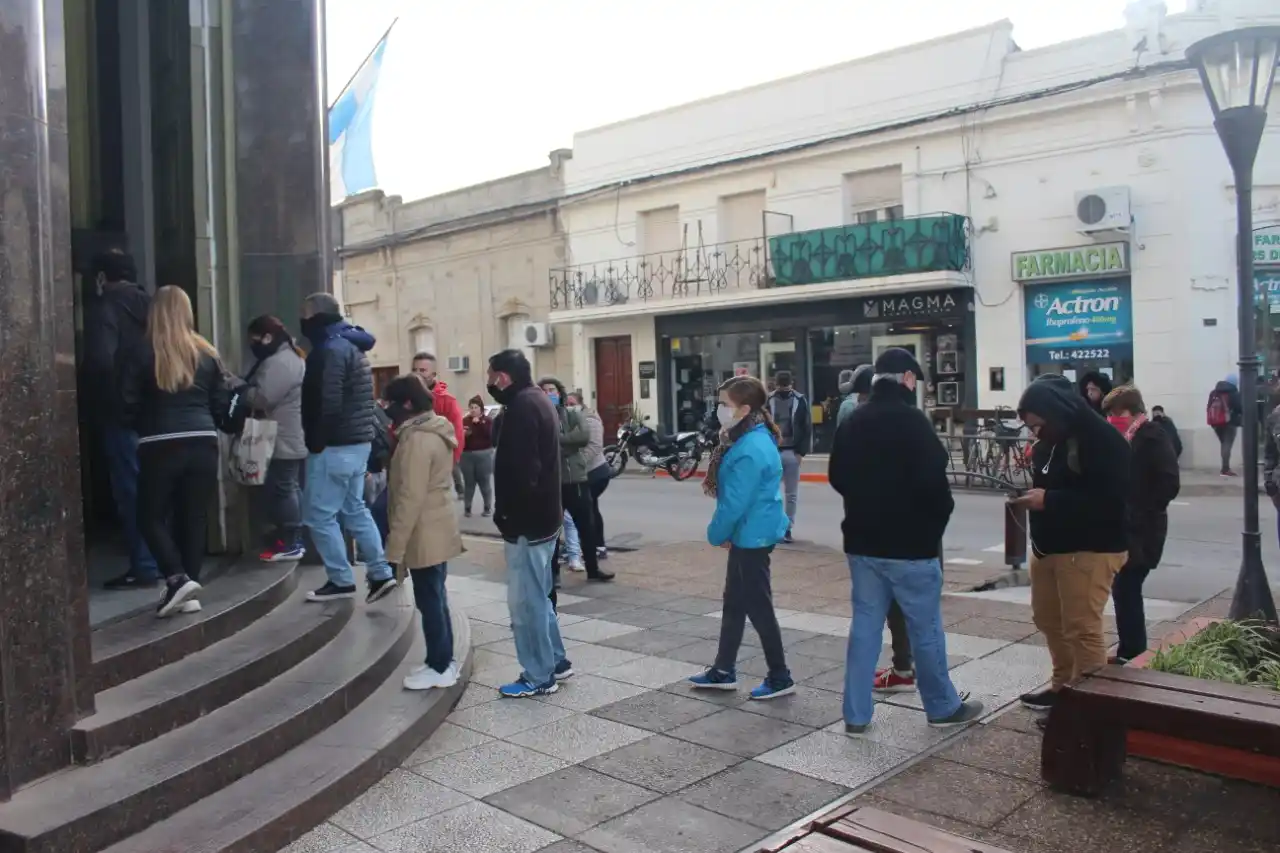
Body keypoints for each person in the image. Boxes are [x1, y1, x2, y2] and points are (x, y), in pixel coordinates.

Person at [830, 348, 982, 734]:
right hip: (911, 547)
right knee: (924, 628)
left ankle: (856, 713)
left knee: (864, 626)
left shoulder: (854, 420)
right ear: (908, 380)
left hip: (863, 544)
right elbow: (936, 488)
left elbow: (837, 476)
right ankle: (942, 706)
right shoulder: (915, 424)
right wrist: (930, 530)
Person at [1012, 374, 1130, 712]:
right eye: (1030, 427)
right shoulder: (1052, 439)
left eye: (1038, 425)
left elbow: (1110, 501)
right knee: (1048, 619)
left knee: (1082, 628)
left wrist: (1050, 500)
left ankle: (1088, 707)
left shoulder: (1102, 441)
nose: (1035, 432)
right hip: (1050, 546)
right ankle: (1063, 686)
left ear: (1056, 412)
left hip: (1091, 547)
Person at [119, 286, 228, 617]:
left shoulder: (140, 350)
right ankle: (189, 590)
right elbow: (221, 404)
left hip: (160, 443)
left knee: (149, 517)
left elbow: (125, 403)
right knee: (192, 518)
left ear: (155, 312)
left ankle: (176, 577)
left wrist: (141, 426)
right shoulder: (207, 353)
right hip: (204, 441)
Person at [687, 376, 795, 700]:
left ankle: (780, 676)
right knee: (734, 602)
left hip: (753, 535)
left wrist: (716, 534)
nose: (719, 410)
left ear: (745, 409)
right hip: (752, 531)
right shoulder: (748, 437)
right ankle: (723, 669)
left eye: (725, 405)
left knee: (758, 606)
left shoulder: (749, 447)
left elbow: (735, 502)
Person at [298, 292, 397, 603]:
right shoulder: (351, 345)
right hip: (357, 445)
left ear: (316, 317)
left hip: (335, 446)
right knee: (355, 510)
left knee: (318, 516)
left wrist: (316, 439)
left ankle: (341, 579)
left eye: (305, 314)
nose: (301, 321)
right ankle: (380, 573)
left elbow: (327, 402)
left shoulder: (330, 350)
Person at [488, 349, 573, 697]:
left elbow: (524, 472)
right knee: (539, 594)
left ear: (503, 377)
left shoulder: (522, 407)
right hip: (544, 518)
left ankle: (538, 675)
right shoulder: (538, 398)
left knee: (525, 602)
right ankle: (556, 659)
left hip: (527, 522)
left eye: (491, 376)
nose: (489, 383)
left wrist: (508, 515)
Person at [82, 249, 161, 589]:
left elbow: (101, 360)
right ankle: (161, 560)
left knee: (130, 489)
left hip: (120, 413)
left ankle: (144, 564)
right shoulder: (152, 307)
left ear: (102, 278)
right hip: (157, 413)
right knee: (156, 488)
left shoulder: (106, 308)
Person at [381, 375, 464, 691]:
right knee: (435, 597)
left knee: (430, 600)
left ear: (406, 403)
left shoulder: (416, 439)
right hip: (436, 526)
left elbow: (409, 497)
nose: (385, 408)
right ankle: (440, 661)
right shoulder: (433, 430)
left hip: (424, 531)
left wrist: (394, 547)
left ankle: (441, 665)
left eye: (389, 402)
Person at [1102, 386, 1180, 663]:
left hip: (1144, 529)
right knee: (1125, 588)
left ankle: (1132, 650)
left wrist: (1139, 508)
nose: (1112, 418)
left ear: (1132, 411)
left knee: (1126, 585)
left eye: (1116, 413)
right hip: (1128, 527)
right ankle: (1130, 648)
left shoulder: (1152, 436)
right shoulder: (1125, 437)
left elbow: (1169, 483)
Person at [242, 316, 307, 562]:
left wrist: (239, 388)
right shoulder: (289, 357)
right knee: (288, 486)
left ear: (267, 337)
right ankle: (291, 538)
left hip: (282, 435)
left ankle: (290, 541)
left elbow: (263, 398)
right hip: (289, 433)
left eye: (255, 339)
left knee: (284, 487)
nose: (253, 345)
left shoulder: (281, 362)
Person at [541, 376, 614, 582]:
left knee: (587, 526)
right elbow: (538, 444)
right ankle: (553, 574)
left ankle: (593, 569)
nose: (549, 393)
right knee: (552, 531)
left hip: (576, 479)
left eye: (553, 389)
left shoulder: (572, 413)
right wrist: (566, 445)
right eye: (545, 390)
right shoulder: (539, 417)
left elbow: (582, 437)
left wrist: (555, 443)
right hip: (552, 482)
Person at [412, 352, 464, 498]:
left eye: (422, 370)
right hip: (411, 462)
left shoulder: (446, 400)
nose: (418, 374)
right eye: (414, 370)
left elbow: (458, 433)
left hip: (437, 465)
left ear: (433, 374)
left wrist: (450, 463)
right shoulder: (406, 399)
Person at [767, 371, 811, 543]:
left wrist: (801, 452)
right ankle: (784, 528)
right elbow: (807, 427)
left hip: (785, 451)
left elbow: (805, 427)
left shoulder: (798, 400)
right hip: (779, 451)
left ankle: (783, 528)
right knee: (786, 493)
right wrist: (801, 453)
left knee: (775, 492)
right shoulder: (771, 400)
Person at [570, 392, 613, 561]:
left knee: (585, 510)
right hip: (585, 473)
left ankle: (593, 547)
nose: (569, 406)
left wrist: (576, 464)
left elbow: (594, 446)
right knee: (591, 508)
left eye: (572, 403)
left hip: (595, 472)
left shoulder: (590, 420)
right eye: (566, 404)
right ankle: (597, 546)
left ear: (581, 404)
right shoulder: (573, 420)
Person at [459, 395, 494, 517]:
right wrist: (464, 434)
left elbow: (490, 436)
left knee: (484, 482)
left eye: (476, 407)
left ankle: (487, 507)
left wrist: (480, 424)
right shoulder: (465, 420)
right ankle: (467, 508)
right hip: (467, 455)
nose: (473, 410)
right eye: (471, 407)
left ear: (481, 409)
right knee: (469, 483)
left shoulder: (488, 420)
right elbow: (460, 436)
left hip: (484, 454)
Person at [1207, 374, 1243, 476]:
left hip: (1215, 423)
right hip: (1229, 422)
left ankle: (1225, 468)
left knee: (1224, 444)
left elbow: (1208, 406)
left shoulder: (1214, 392)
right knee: (1227, 444)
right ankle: (1225, 469)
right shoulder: (1233, 393)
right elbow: (1239, 408)